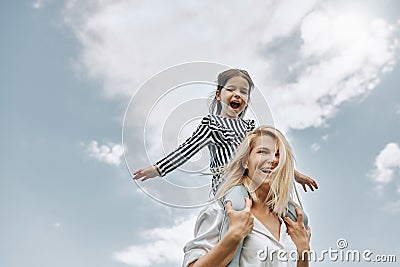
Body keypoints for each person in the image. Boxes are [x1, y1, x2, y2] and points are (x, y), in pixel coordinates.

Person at [133, 69, 318, 194]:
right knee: (238, 211)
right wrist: (158, 169)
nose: (237, 94)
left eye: (243, 91)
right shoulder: (212, 123)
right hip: (229, 187)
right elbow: (186, 149)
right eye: (231, 89)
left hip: (253, 185)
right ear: (218, 95)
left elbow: (266, 159)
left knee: (287, 210)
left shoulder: (249, 129)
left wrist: (295, 174)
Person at [182, 126, 311, 267]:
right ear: (246, 161)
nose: (272, 160)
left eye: (278, 154)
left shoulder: (291, 224)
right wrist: (234, 236)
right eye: (262, 152)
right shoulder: (222, 211)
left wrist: (303, 251)